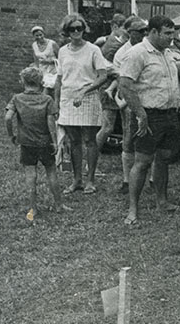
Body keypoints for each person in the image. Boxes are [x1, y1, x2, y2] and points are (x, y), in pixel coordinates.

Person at [117, 14, 180, 225]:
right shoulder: (137, 54)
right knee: (143, 161)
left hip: (169, 114)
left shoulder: (168, 54)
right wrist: (141, 114)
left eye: (172, 34)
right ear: (153, 32)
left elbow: (174, 80)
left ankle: (162, 202)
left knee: (164, 158)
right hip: (148, 115)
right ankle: (133, 211)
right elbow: (125, 85)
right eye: (167, 34)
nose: (171, 38)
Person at [54, 13, 113, 195]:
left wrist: (85, 91)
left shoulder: (93, 49)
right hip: (68, 98)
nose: (77, 31)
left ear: (84, 29)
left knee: (90, 140)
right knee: (73, 141)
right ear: (67, 31)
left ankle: (90, 180)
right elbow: (59, 78)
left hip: (88, 96)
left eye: (80, 28)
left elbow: (103, 76)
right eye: (73, 29)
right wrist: (56, 102)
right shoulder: (63, 51)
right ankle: (77, 180)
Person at [4, 67, 70, 221]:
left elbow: (8, 118)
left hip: (26, 143)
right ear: (41, 82)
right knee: (51, 173)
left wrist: (11, 135)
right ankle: (59, 205)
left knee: (31, 176)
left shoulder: (17, 98)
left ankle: (33, 208)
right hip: (44, 142)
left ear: (22, 81)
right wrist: (54, 142)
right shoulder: (47, 100)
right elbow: (50, 123)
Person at [109, 16, 148, 194]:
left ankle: (153, 179)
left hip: (149, 98)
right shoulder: (122, 53)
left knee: (151, 139)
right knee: (129, 138)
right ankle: (127, 180)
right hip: (131, 100)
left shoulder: (149, 48)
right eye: (139, 31)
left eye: (144, 31)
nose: (143, 34)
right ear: (129, 32)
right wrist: (125, 101)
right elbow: (121, 79)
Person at [30, 25, 60, 94]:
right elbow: (36, 60)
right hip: (42, 70)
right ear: (34, 36)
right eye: (36, 35)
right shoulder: (34, 45)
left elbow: (61, 58)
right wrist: (36, 71)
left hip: (53, 71)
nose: (39, 37)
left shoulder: (52, 44)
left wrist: (51, 61)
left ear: (44, 34)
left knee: (46, 90)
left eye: (41, 35)